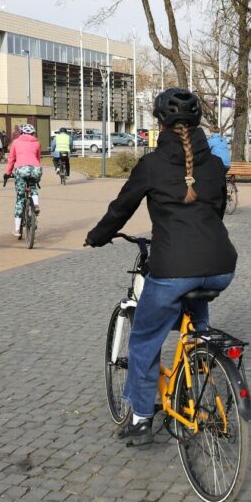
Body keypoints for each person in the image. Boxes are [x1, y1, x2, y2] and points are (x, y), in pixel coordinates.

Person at [84, 88, 236, 446]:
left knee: (144, 339)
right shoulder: (215, 165)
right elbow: (215, 213)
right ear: (198, 122)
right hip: (221, 266)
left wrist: (98, 235)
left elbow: (122, 208)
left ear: (160, 124)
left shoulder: (151, 165)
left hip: (172, 269)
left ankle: (140, 415)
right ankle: (199, 363)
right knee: (196, 319)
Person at [4, 124, 43, 237]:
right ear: (33, 133)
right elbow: (38, 158)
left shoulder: (16, 142)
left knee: (20, 198)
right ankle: (35, 204)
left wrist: (7, 173)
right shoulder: (37, 143)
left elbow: (11, 159)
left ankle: (17, 229)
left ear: (22, 133)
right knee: (33, 186)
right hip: (35, 169)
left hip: (21, 170)